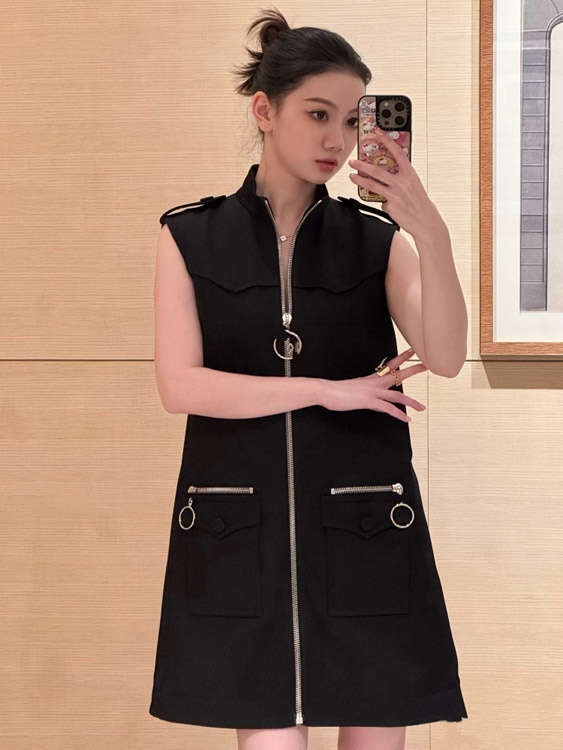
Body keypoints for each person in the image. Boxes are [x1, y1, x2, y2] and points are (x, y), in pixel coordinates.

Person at [149, 8, 468, 750]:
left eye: (352, 120)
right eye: (317, 114)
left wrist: (430, 230)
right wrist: (327, 389)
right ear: (265, 111)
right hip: (240, 535)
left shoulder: (377, 240)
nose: (337, 139)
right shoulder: (189, 236)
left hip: (365, 534)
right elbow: (181, 387)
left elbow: (447, 354)